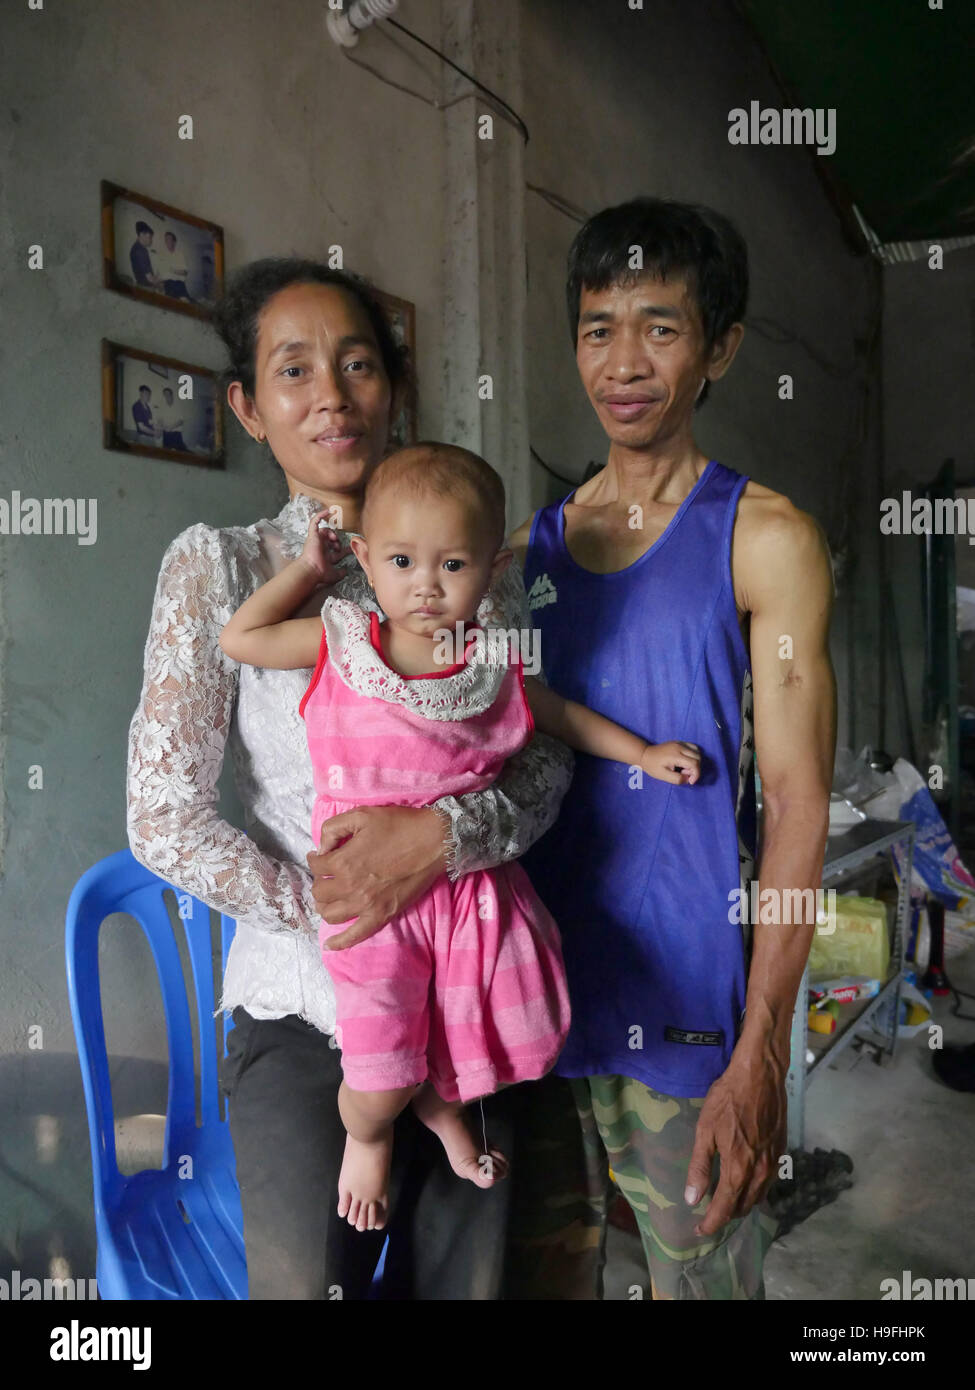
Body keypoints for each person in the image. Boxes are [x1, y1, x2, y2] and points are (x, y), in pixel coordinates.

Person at [126, 258, 578, 1300]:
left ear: (392, 389)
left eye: (358, 363)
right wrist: (339, 910)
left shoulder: (468, 566)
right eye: (293, 371)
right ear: (247, 406)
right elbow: (163, 816)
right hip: (300, 1003)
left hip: (469, 984)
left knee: (468, 1285)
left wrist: (446, 842)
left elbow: (546, 758)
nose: (331, 392)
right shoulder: (224, 568)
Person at [219, 442, 701, 1233]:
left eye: (453, 564)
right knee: (378, 1071)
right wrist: (306, 573)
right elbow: (242, 639)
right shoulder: (340, 644)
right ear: (368, 560)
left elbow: (561, 719)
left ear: (492, 567)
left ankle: (443, 1117)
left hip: (468, 890)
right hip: (369, 899)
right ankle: (368, 1136)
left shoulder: (491, 664)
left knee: (474, 1030)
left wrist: (643, 753)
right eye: (403, 560)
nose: (427, 585)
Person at [509, 196, 837, 1300]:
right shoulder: (521, 553)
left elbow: (796, 801)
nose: (625, 360)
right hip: (530, 990)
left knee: (699, 1285)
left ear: (721, 350)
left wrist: (763, 1046)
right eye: (600, 327)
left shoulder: (764, 536)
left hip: (688, 1004)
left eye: (661, 325)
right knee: (542, 1276)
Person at [159, 230, 193, 301]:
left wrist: (172, 270)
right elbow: (160, 271)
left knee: (187, 302)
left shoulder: (180, 255)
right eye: (166, 240)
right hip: (168, 285)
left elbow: (185, 272)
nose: (167, 241)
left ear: (174, 242)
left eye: (169, 239)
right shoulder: (162, 254)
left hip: (179, 284)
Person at [129, 221, 162, 290]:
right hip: (146, 288)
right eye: (150, 237)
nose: (151, 240)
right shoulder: (140, 251)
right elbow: (150, 280)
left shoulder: (136, 248)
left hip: (142, 286)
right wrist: (161, 283)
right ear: (141, 234)